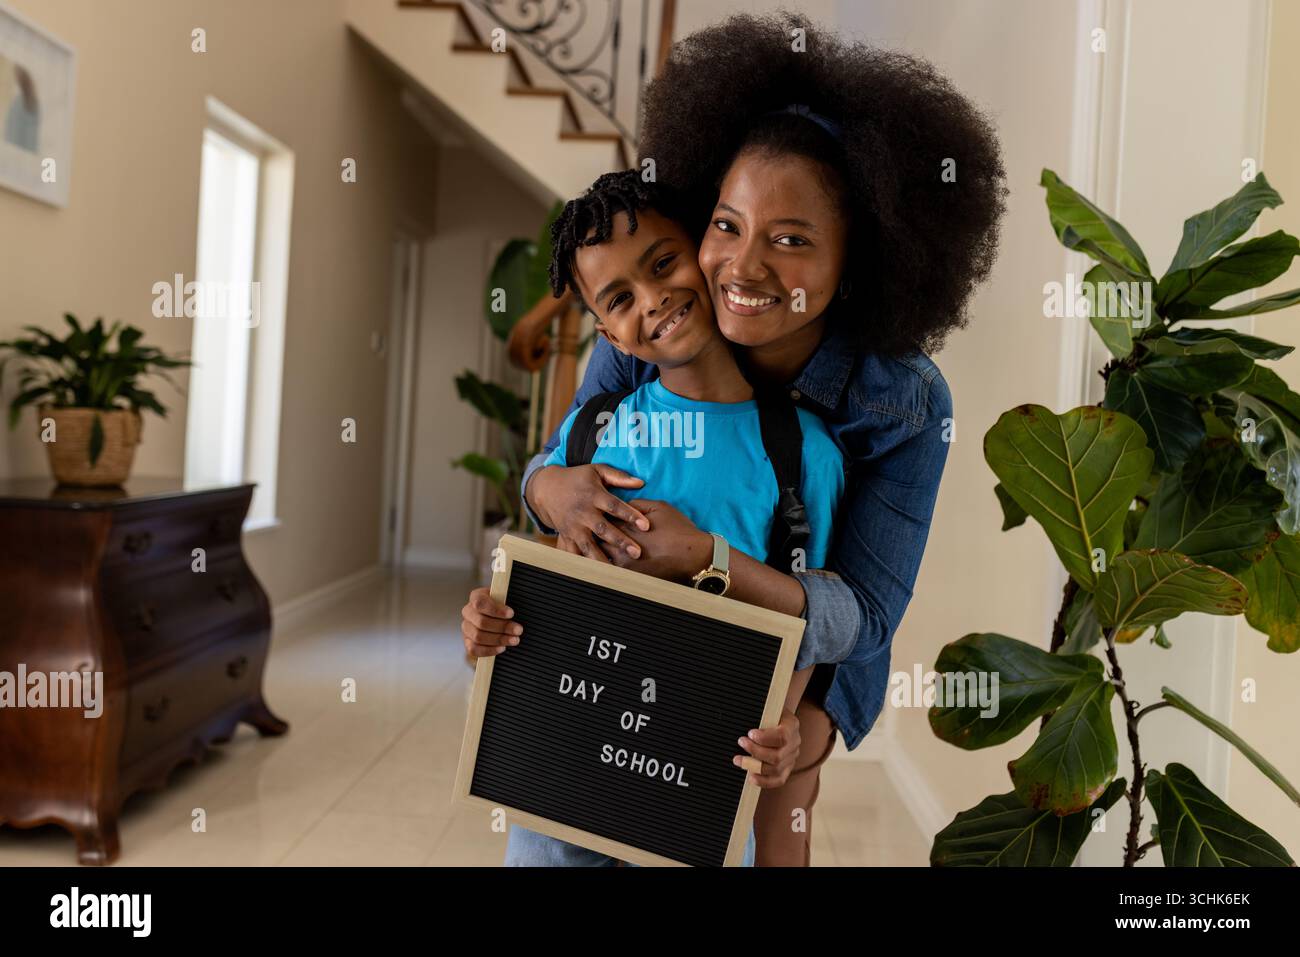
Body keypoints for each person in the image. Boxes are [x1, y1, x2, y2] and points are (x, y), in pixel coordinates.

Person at [465, 12, 1007, 865]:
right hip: (624, 676)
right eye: (726, 225)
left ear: (855, 265)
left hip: (796, 645)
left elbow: (859, 618)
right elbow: (565, 468)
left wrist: (797, 721)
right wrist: (544, 495)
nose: (743, 269)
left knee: (781, 779)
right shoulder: (649, 334)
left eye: (791, 241)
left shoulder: (899, 404)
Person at [465, 169, 846, 866]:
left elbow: (806, 619)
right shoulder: (590, 435)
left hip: (696, 796)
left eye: (664, 263)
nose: (655, 298)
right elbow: (550, 585)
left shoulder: (803, 455)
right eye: (619, 298)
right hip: (560, 794)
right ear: (609, 332)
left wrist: (785, 721)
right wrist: (488, 626)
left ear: (703, 252)